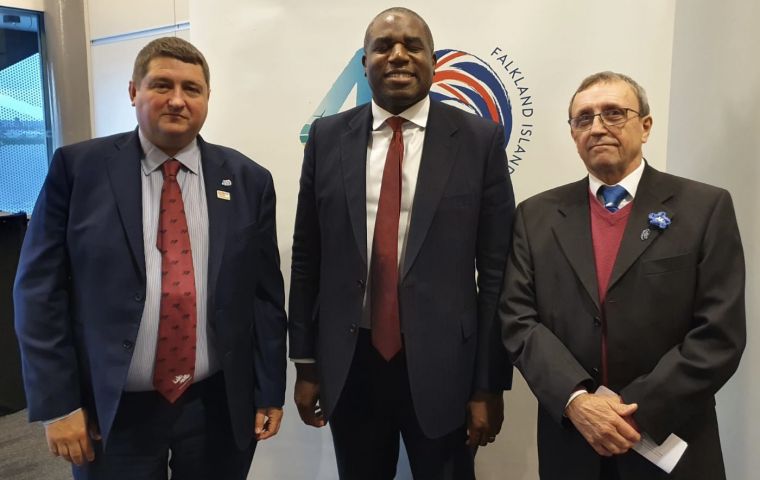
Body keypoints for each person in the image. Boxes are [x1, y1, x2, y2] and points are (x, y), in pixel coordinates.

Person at [14, 37, 287, 480]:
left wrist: (268, 389)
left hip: (215, 405)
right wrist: (57, 404)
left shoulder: (248, 180)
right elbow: (37, 292)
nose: (177, 100)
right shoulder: (78, 170)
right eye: (162, 85)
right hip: (113, 410)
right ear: (133, 92)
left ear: (207, 98)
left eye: (191, 89)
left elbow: (264, 298)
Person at [289, 7, 515, 479]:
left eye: (412, 45)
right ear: (364, 61)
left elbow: (497, 271)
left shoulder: (478, 140)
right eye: (383, 47)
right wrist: (306, 362)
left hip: (446, 369)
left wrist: (488, 384)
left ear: (434, 60)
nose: (398, 56)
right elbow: (308, 255)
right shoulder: (328, 138)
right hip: (352, 364)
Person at [499, 71, 745, 479]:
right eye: (583, 118)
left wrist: (632, 414)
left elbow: (719, 333)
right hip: (573, 444)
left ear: (645, 126)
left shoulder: (705, 208)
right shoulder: (535, 216)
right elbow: (518, 320)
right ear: (573, 133)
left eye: (614, 113)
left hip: (671, 442)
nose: (597, 127)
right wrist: (577, 400)